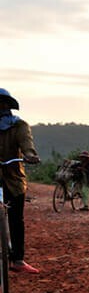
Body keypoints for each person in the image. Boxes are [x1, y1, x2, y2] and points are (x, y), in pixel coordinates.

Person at [0, 88, 41, 273]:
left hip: (13, 177)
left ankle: (18, 260)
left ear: (8, 105)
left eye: (2, 102)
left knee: (16, 218)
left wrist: (30, 155)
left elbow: (27, 143)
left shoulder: (19, 125)